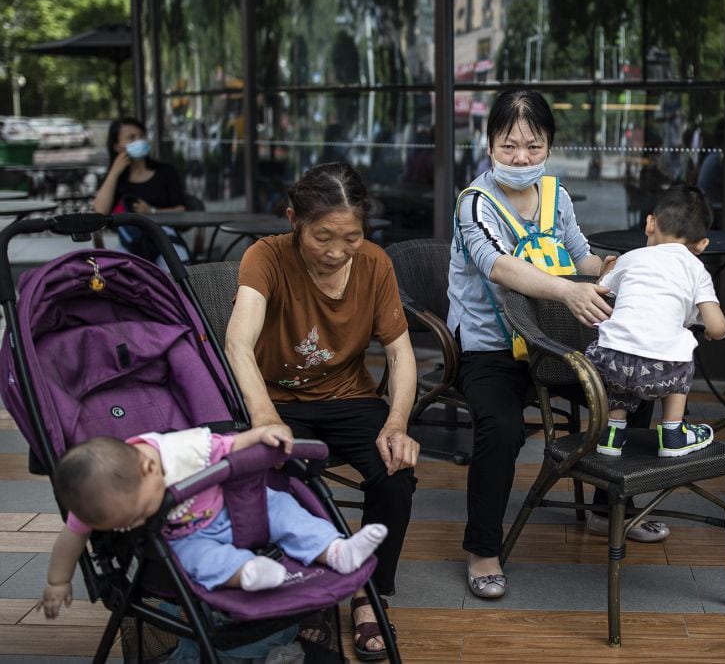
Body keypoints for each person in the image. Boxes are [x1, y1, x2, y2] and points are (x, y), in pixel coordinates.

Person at [448, 89, 670, 602]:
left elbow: (582, 258)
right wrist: (569, 290)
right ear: (488, 145)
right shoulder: (473, 204)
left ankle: (608, 508)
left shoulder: (556, 195)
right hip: (492, 350)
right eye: (509, 146)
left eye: (533, 145)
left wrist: (624, 265)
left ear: (549, 145)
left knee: (632, 389)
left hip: (551, 345)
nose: (521, 158)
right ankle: (483, 549)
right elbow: (502, 267)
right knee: (500, 429)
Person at [225, 162, 419, 660]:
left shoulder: (375, 263)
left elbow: (399, 354)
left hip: (348, 396)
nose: (336, 251)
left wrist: (397, 424)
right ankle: (311, 586)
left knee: (395, 472)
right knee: (285, 473)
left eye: (351, 236)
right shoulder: (265, 257)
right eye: (322, 236)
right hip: (280, 399)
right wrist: (264, 415)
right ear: (294, 220)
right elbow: (238, 343)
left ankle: (368, 596)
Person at [40, 426, 388, 619]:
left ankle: (336, 550)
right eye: (126, 523)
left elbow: (230, 443)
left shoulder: (182, 450)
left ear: (149, 468)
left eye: (141, 512)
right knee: (197, 559)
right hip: (191, 536)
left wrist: (260, 436)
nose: (138, 522)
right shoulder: (95, 496)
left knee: (282, 506)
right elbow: (70, 538)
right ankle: (249, 572)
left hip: (233, 509)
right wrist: (58, 581)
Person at [586, 185, 725, 458]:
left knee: (625, 345)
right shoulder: (696, 269)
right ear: (702, 244)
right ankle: (672, 432)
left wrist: (606, 271)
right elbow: (715, 328)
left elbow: (599, 292)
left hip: (609, 364)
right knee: (680, 347)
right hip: (661, 373)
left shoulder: (630, 258)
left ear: (650, 224)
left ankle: (613, 432)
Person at [92, 117, 190, 264]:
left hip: (164, 241)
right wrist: (114, 172)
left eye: (141, 136)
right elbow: (100, 211)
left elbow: (181, 210)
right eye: (131, 138)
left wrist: (151, 211)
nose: (139, 140)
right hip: (131, 244)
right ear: (117, 147)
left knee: (174, 268)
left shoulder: (165, 171)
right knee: (120, 273)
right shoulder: (114, 179)